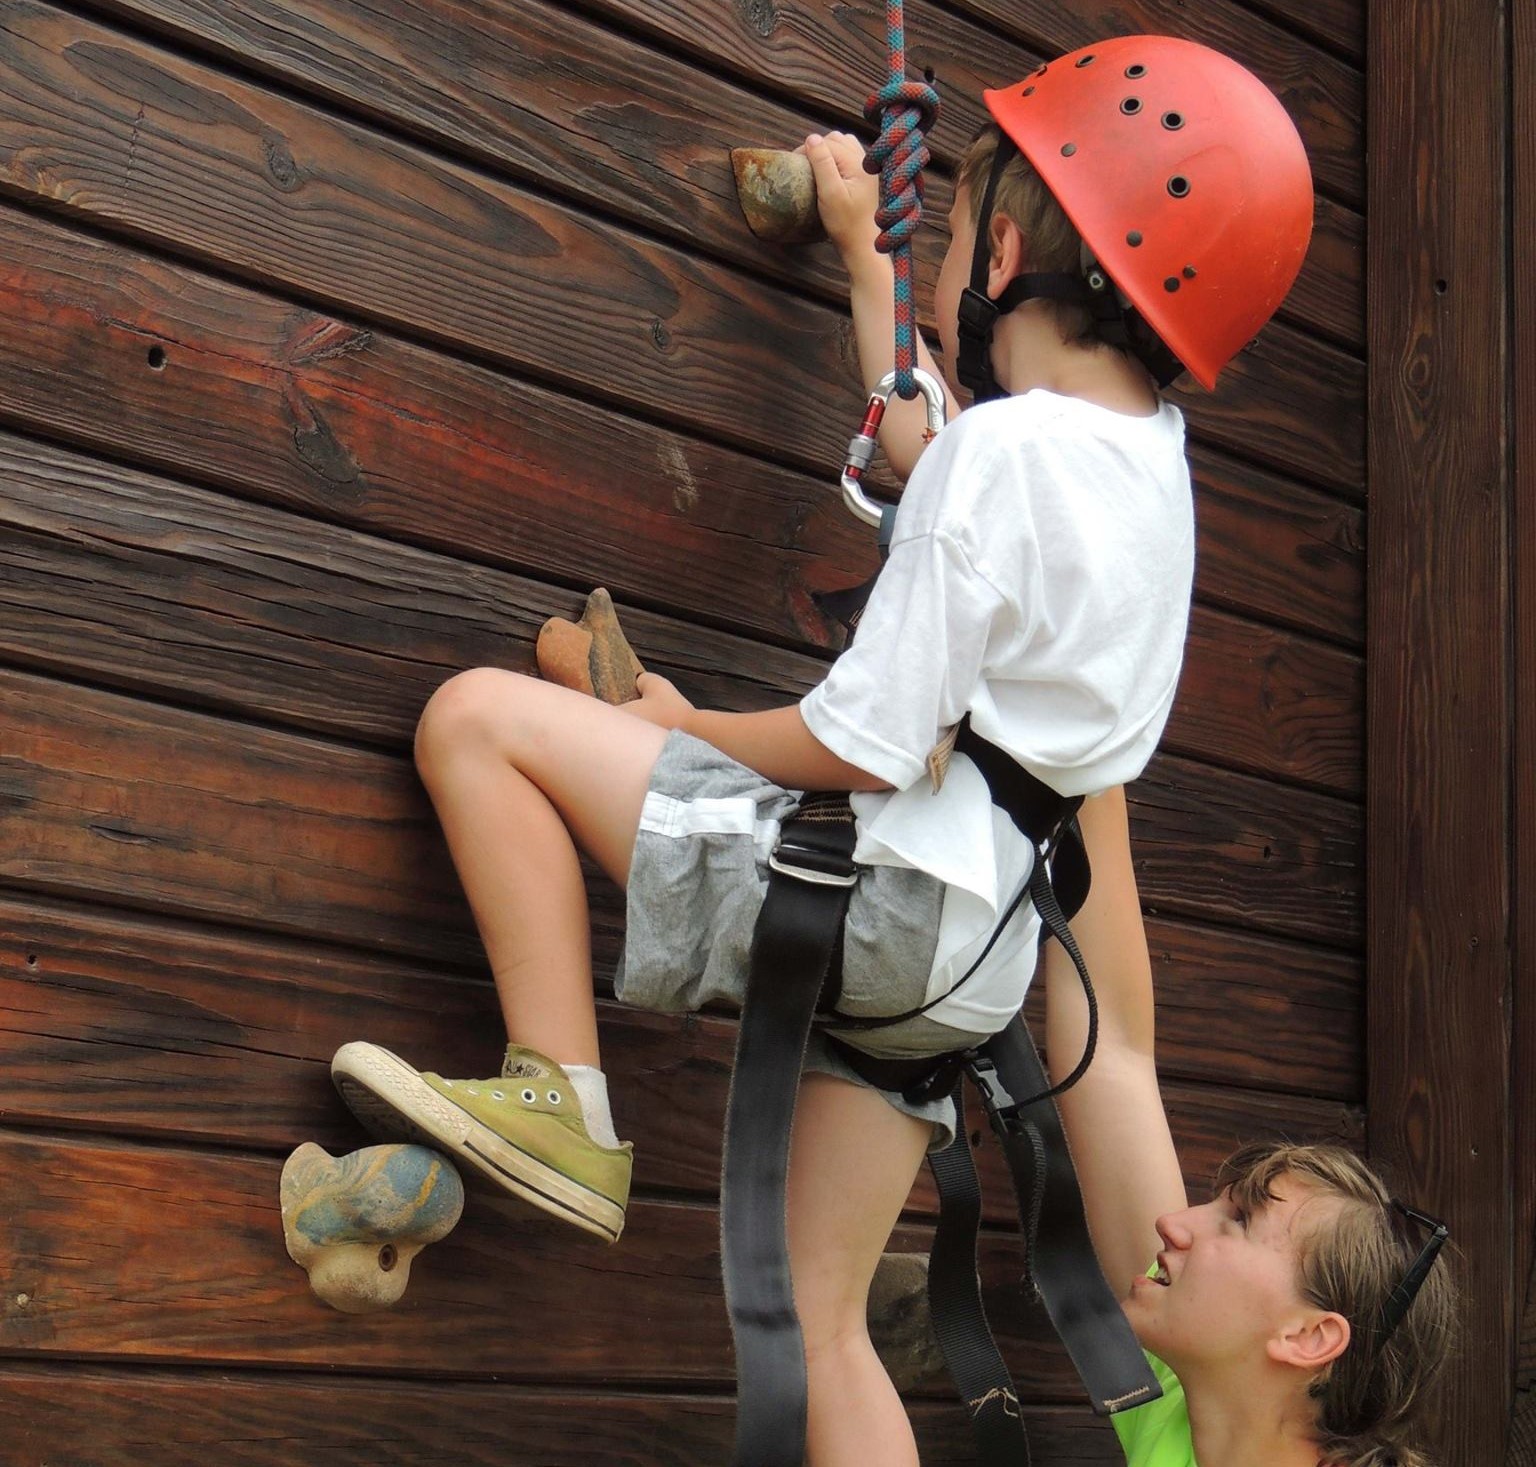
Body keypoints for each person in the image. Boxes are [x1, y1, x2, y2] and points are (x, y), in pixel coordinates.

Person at [330, 36, 1313, 1465]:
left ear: (1014, 251)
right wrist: (870, 261)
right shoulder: (1146, 471)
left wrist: (682, 727)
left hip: (881, 901)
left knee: (477, 721)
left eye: (960, 234)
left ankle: (559, 1093)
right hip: (978, 967)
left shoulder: (1009, 460)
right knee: (818, 1310)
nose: (955, 257)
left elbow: (861, 735)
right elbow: (933, 455)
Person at [1049, 790, 1458, 1467]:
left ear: (1308, 1336)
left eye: (1236, 1219)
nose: (1174, 1223)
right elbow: (1110, 1051)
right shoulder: (1189, 1419)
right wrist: (1096, 757)